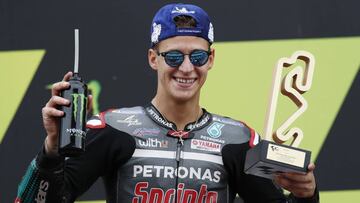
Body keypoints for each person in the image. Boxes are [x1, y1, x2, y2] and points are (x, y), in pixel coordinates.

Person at [15, 3, 319, 203]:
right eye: (173, 56)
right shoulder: (114, 128)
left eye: (197, 56)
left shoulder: (238, 139)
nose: (186, 68)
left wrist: (307, 195)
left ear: (211, 59)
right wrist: (51, 149)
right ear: (153, 59)